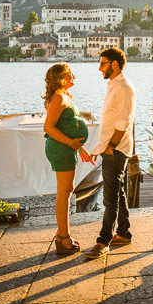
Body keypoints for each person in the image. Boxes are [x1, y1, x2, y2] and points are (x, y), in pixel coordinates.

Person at [84, 48, 136, 259]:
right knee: (119, 191)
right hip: (112, 148)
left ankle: (103, 241)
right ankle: (123, 232)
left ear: (114, 64)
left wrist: (111, 145)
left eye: (103, 63)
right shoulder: (115, 85)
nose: (99, 67)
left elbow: (124, 121)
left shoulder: (123, 87)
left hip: (116, 149)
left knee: (110, 197)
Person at [42, 63, 91, 255]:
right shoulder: (58, 97)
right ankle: (63, 237)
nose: (74, 77)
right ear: (61, 77)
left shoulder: (63, 96)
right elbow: (49, 128)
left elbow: (66, 125)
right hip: (61, 148)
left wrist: (81, 149)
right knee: (65, 191)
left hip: (66, 147)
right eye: (70, 74)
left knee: (67, 190)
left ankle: (62, 233)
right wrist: (72, 144)